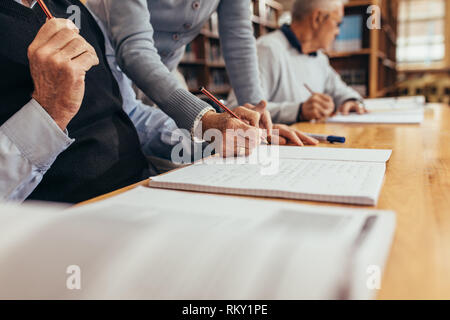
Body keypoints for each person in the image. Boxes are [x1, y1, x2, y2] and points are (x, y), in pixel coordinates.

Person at [0, 0, 259, 203]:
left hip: (145, 189)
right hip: (70, 220)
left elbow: (131, 114)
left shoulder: (73, 10)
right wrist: (49, 110)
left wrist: (216, 136)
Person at [87, 0, 317, 146]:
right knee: (119, 149)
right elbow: (135, 50)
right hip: (104, 72)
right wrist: (203, 119)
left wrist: (254, 115)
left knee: (179, 145)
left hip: (164, 77)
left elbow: (238, 39)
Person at [228, 0, 367, 125]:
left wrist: (350, 101)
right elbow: (238, 108)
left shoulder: (319, 57)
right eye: (338, 24)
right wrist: (298, 110)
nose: (338, 32)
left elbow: (340, 90)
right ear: (317, 18)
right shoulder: (267, 49)